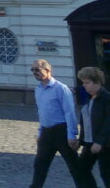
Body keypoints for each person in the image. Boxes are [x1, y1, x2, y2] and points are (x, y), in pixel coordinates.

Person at [30, 59, 93, 188]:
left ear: (47, 70)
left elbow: (69, 112)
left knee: (74, 166)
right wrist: (40, 133)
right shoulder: (38, 90)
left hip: (61, 132)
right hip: (46, 133)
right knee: (40, 165)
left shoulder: (61, 89)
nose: (34, 72)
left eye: (37, 69)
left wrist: (71, 135)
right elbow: (42, 113)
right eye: (32, 70)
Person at [77, 66, 110, 188]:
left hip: (105, 144)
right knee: (81, 170)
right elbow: (86, 122)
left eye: (87, 83)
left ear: (97, 82)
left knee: (106, 174)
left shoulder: (106, 98)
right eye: (83, 83)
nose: (84, 86)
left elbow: (108, 122)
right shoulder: (90, 98)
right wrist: (81, 140)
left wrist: (100, 142)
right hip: (89, 142)